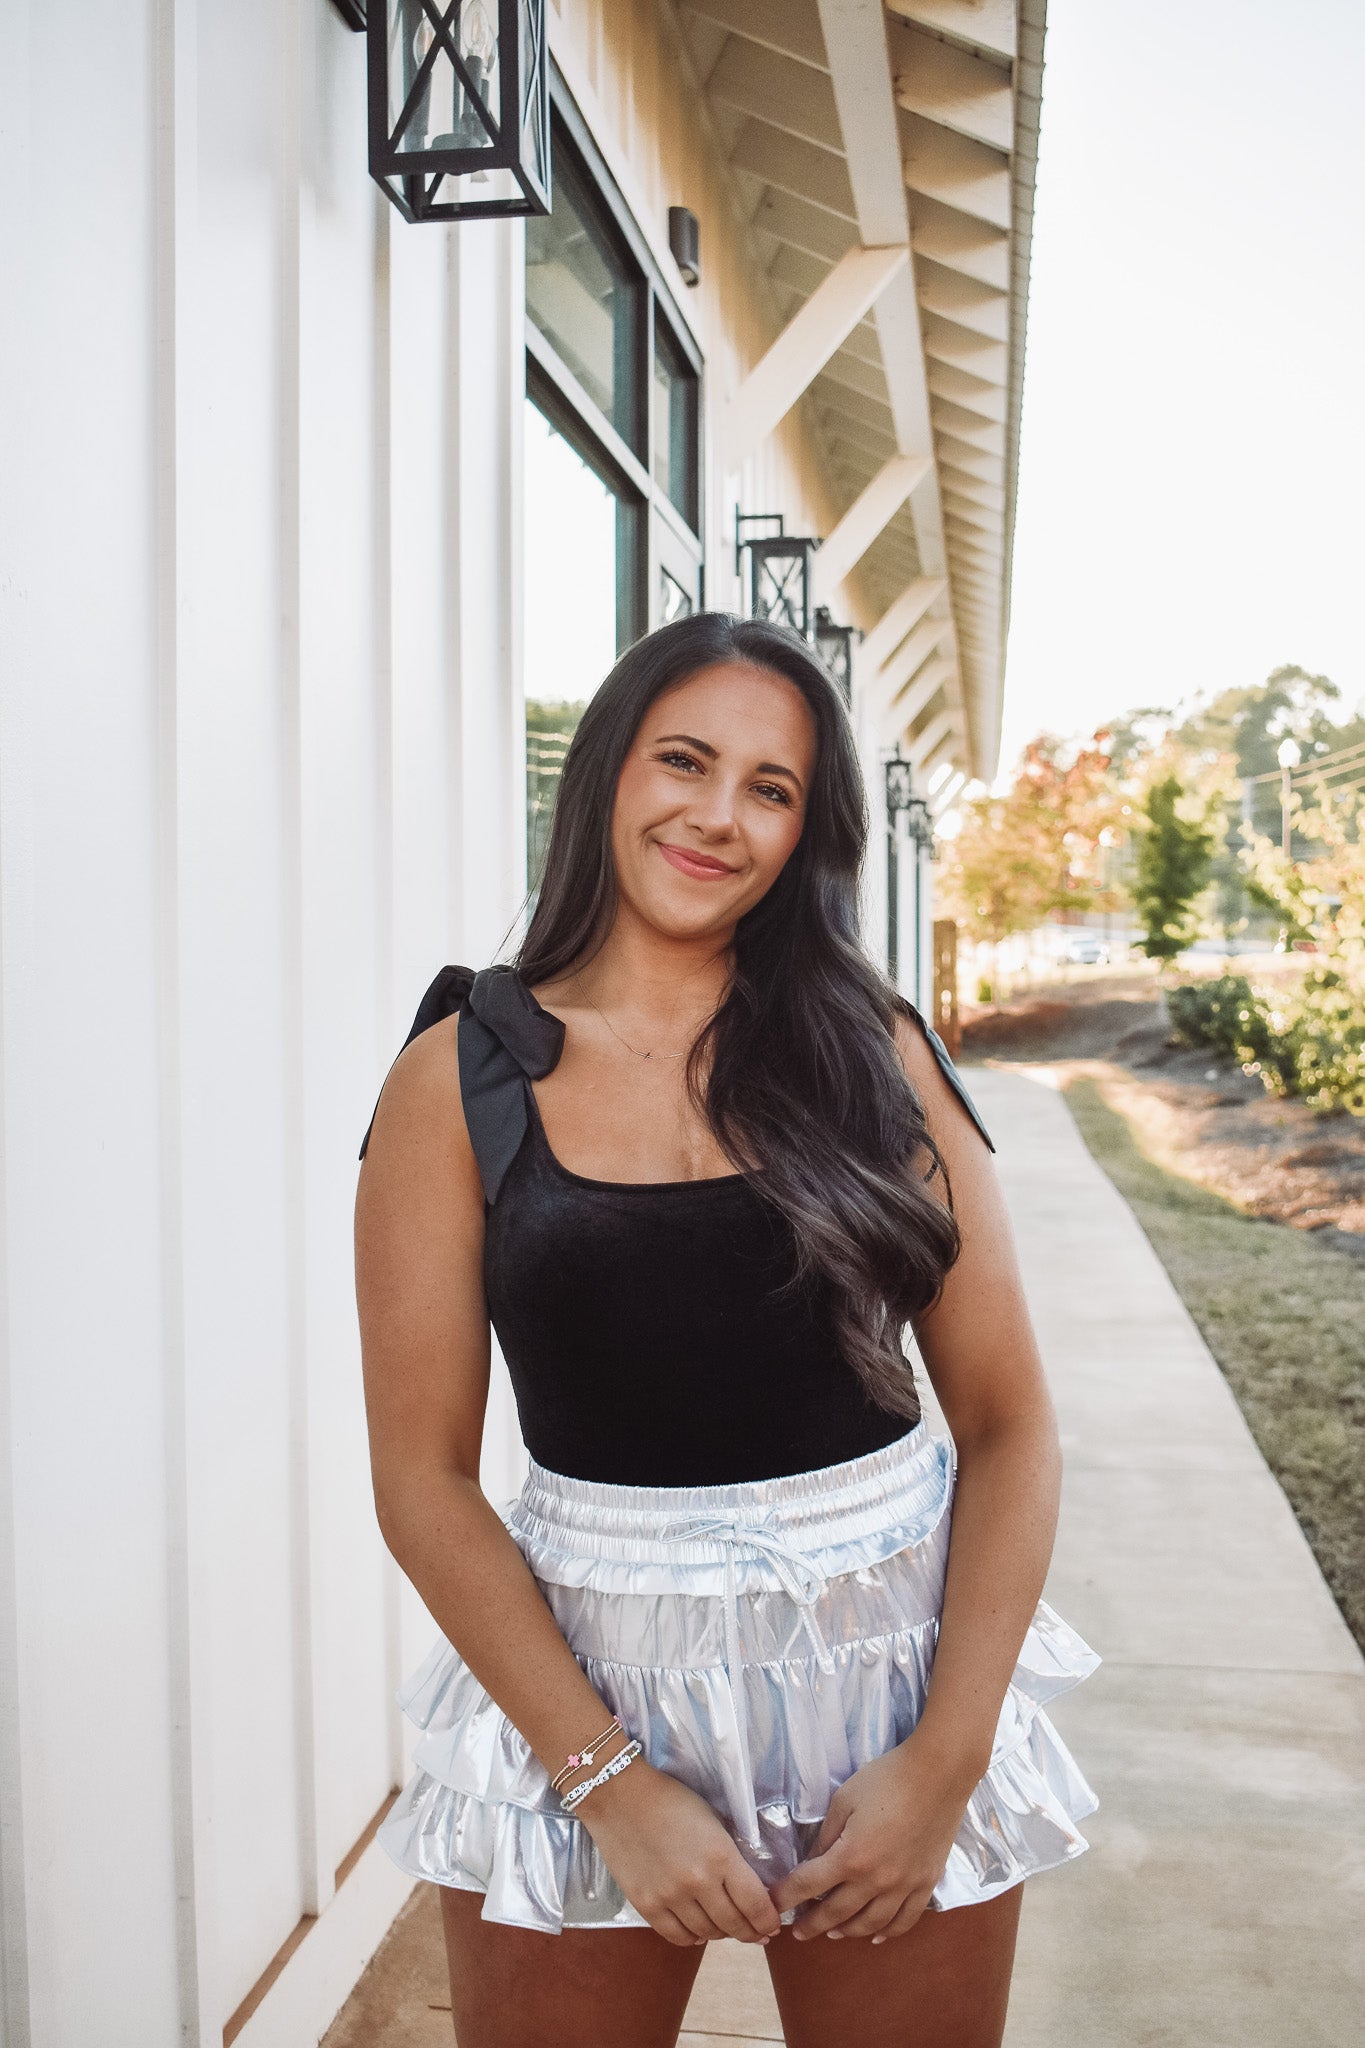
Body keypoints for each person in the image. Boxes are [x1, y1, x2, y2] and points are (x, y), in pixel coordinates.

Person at [354, 612, 1100, 2048]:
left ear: (806, 831)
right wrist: (608, 1785)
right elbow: (422, 1479)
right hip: (582, 1680)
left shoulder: (868, 1048)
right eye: (683, 761)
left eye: (769, 788)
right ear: (605, 779)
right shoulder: (458, 1076)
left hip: (889, 1664)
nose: (718, 815)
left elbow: (1009, 1424)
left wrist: (945, 1758)